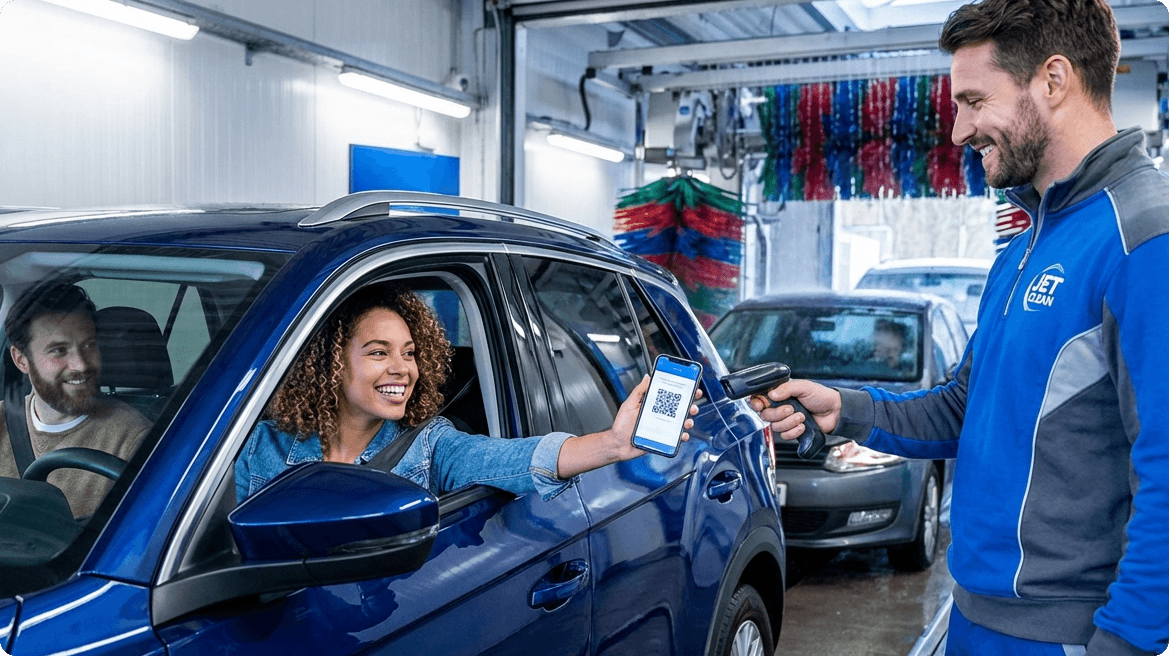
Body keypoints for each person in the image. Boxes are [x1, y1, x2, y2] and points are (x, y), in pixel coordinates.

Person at [754, 1, 1169, 654]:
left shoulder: (1145, 237)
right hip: (974, 617)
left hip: (1069, 636)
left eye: (973, 101)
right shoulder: (1024, 244)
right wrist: (844, 408)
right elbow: (963, 408)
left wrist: (1126, 641)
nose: (956, 131)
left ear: (1052, 81)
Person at [235, 283, 701, 502]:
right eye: (379, 353)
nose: (403, 368)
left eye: (410, 352)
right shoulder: (262, 446)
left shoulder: (429, 445)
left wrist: (613, 443)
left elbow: (513, 459)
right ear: (331, 364)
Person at [0, 282, 152, 518]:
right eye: (59, 350)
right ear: (21, 360)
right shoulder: (2, 420)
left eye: (89, 345)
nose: (81, 364)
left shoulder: (132, 440)